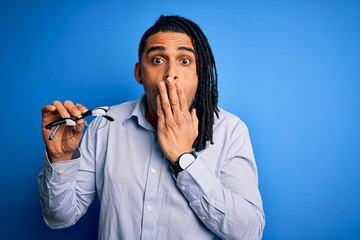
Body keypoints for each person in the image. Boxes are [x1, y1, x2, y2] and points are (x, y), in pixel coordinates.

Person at [38, 15, 265, 239]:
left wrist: (183, 159)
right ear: (139, 73)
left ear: (200, 74)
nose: (170, 74)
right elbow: (60, 218)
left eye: (185, 61)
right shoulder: (104, 127)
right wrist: (60, 159)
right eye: (158, 60)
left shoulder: (230, 131)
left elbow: (248, 232)